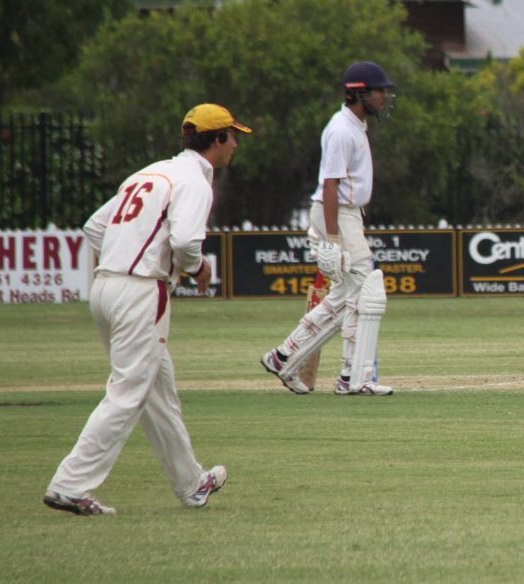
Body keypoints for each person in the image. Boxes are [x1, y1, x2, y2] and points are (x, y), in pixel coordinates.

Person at [43, 104, 251, 515]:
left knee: (157, 392)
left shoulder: (151, 173)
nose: (236, 144)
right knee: (127, 394)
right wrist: (200, 269)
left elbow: (94, 227)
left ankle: (192, 483)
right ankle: (69, 485)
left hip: (106, 287)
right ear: (215, 140)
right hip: (140, 292)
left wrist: (125, 258)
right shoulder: (194, 180)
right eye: (232, 135)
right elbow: (188, 244)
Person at [261, 61, 396, 396]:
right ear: (359, 93)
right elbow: (330, 185)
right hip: (336, 213)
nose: (385, 96)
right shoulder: (340, 129)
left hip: (348, 214)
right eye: (379, 90)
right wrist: (333, 239)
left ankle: (283, 357)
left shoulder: (356, 126)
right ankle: (353, 377)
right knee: (365, 292)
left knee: (345, 297)